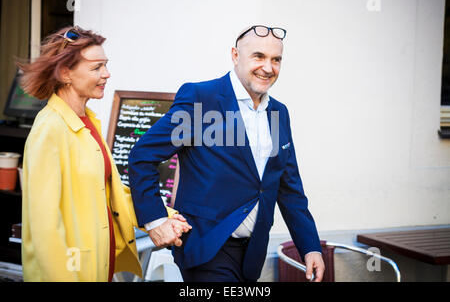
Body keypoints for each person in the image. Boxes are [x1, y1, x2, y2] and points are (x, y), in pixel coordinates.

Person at [128, 25, 325, 282]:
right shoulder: (201, 98)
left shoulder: (279, 112)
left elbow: (289, 187)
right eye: (258, 56)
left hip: (253, 252)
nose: (268, 68)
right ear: (235, 55)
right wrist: (155, 221)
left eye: (276, 60)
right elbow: (143, 156)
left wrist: (310, 246)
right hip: (207, 249)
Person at [20, 26, 190, 282]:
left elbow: (113, 195)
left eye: (106, 65)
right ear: (66, 73)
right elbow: (45, 228)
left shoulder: (88, 122)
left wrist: (164, 216)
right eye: (96, 67)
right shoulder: (49, 129)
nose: (107, 74)